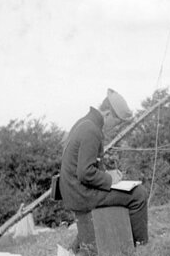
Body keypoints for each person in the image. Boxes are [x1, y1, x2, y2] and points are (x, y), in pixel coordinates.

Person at [60, 88, 148, 246]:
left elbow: (83, 165)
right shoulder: (91, 130)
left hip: (74, 191)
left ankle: (83, 244)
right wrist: (109, 178)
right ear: (107, 114)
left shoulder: (84, 123)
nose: (116, 127)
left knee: (132, 192)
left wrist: (106, 173)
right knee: (138, 194)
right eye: (118, 122)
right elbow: (85, 173)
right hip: (81, 194)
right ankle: (140, 245)